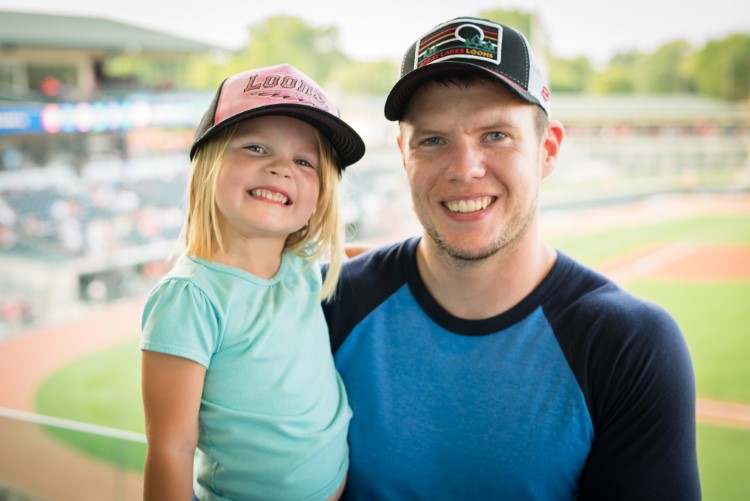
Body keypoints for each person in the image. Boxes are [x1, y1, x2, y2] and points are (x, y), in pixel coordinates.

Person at [323, 16, 701, 500]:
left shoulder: (627, 343)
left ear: (547, 150)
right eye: (433, 140)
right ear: (403, 155)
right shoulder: (328, 304)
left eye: (496, 135)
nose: (464, 169)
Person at [140, 63, 365, 500]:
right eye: (257, 148)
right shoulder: (189, 297)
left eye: (305, 161)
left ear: (319, 199)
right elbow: (171, 448)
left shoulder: (298, 265)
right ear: (208, 164)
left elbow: (372, 259)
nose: (283, 168)